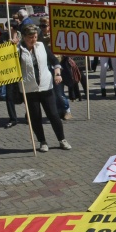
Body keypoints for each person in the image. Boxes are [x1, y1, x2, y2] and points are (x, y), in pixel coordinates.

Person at [17, 24, 71, 152]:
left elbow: (54, 61)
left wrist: (57, 73)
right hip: (29, 88)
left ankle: (62, 139)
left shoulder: (41, 46)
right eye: (30, 37)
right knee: (35, 117)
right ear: (24, 37)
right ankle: (42, 142)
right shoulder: (18, 49)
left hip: (46, 86)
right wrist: (11, 47)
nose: (33, 40)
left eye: (35, 37)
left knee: (53, 114)